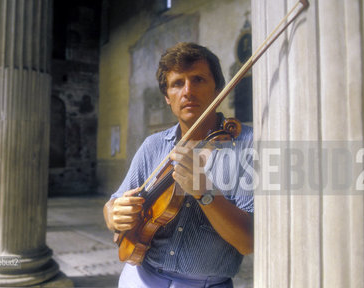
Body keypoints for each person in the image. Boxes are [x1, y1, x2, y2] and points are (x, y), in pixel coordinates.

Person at [103, 42, 254, 288]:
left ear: (218, 90)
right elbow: (113, 202)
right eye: (177, 83)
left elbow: (248, 242)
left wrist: (205, 194)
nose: (188, 91)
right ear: (167, 97)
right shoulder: (153, 145)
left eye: (198, 79)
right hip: (140, 275)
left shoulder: (247, 146)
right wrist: (113, 214)